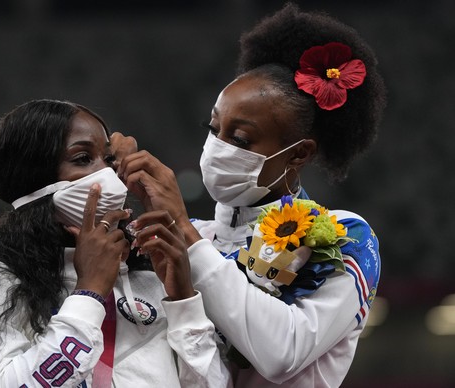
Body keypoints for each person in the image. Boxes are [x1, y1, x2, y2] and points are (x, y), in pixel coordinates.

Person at [117, 3, 386, 387]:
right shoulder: (195, 236)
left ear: (299, 153)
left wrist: (183, 232)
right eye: (214, 128)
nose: (217, 146)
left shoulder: (341, 234)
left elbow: (282, 354)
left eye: (240, 138)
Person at [0, 99, 231, 387]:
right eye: (83, 158)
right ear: (34, 178)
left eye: (109, 159)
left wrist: (183, 300)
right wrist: (89, 293)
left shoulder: (150, 273)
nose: (108, 173)